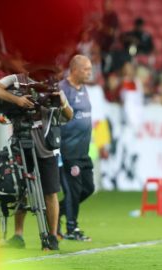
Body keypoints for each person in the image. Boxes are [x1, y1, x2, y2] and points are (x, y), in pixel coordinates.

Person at [0, 69, 74, 250]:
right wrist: (18, 100)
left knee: (50, 192)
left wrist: (61, 102)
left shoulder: (53, 86)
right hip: (21, 141)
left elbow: (69, 115)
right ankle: (18, 235)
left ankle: (52, 237)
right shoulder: (18, 79)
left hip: (46, 145)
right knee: (21, 190)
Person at [57, 55, 94, 241]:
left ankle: (57, 212)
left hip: (83, 151)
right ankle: (72, 229)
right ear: (75, 70)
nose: (90, 72)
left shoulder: (83, 88)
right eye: (86, 69)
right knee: (73, 190)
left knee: (88, 188)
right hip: (68, 150)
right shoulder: (62, 89)